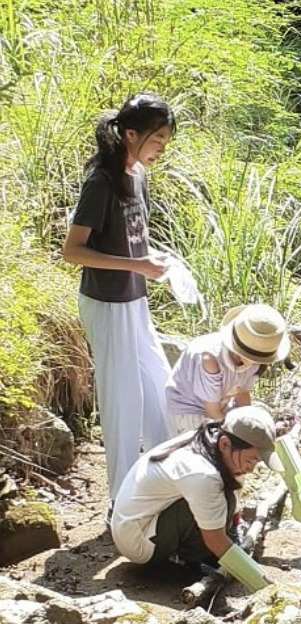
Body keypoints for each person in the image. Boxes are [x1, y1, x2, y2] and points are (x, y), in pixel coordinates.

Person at [62, 93, 177, 503]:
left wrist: (153, 258)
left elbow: (131, 238)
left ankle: (168, 483)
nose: (161, 148)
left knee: (161, 387)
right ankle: (123, 501)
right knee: (122, 402)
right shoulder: (102, 182)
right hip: (106, 304)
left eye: (165, 141)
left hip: (134, 299)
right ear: (131, 134)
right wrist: (136, 265)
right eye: (156, 139)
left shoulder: (138, 174)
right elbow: (72, 251)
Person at [111, 405, 280, 591]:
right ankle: (188, 561)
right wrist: (264, 586)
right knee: (220, 499)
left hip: (144, 520)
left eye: (257, 461)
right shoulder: (202, 474)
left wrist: (236, 526)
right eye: (250, 460)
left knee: (229, 487)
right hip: (137, 540)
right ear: (225, 444)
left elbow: (235, 489)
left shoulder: (215, 442)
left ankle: (192, 553)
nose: (252, 468)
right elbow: (215, 540)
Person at [165, 303, 290, 434]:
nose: (259, 363)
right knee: (217, 442)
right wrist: (240, 431)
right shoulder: (210, 359)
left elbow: (242, 394)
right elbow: (212, 411)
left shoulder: (256, 361)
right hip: (190, 409)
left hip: (221, 403)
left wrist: (249, 423)